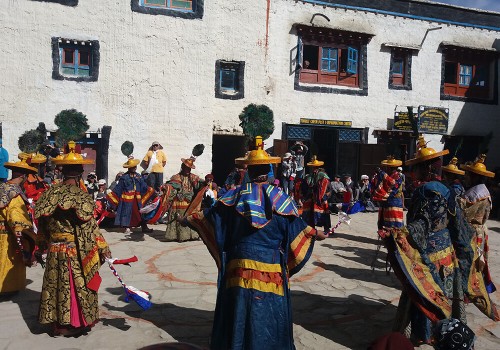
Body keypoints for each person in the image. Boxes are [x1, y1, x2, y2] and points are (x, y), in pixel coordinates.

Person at [179, 136, 328, 349]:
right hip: (271, 268)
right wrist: (315, 233)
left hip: (237, 268)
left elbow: (210, 218)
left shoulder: (232, 197)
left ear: (248, 172)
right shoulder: (281, 199)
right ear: (269, 172)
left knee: (239, 308)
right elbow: (297, 228)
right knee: (268, 311)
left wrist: (189, 220)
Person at [381, 136, 498, 345]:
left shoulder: (424, 191)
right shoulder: (446, 189)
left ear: (425, 169)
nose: (412, 172)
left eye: (416, 167)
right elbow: (459, 226)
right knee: (445, 294)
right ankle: (446, 331)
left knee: (423, 292)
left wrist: (398, 236)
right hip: (447, 254)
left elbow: (421, 225)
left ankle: (423, 334)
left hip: (430, 255)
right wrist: (463, 253)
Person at [34, 141, 111, 336]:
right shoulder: (82, 197)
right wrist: (103, 248)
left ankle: (58, 324)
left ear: (62, 171)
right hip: (74, 250)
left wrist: (41, 246)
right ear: (79, 173)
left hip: (54, 251)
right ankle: (75, 323)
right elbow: (90, 228)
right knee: (76, 286)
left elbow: (42, 226)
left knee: (56, 286)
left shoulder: (48, 194)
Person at [0, 155, 37, 296]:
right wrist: (26, 235)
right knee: (6, 261)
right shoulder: (15, 194)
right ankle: (5, 288)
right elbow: (17, 219)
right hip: (6, 235)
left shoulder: (1, 187)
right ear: (23, 176)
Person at [461, 154, 497, 293]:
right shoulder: (485, 192)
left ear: (475, 176)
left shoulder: (473, 195)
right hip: (481, 230)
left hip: (471, 232)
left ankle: (468, 288)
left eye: (468, 175)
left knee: (470, 260)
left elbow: (464, 215)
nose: (466, 177)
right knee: (478, 261)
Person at [107, 154, 155, 234]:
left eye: (135, 166)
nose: (134, 168)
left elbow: (144, 187)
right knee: (126, 212)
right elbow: (119, 188)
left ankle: (144, 227)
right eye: (132, 167)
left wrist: (150, 190)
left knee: (140, 213)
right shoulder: (124, 177)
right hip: (127, 199)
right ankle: (127, 227)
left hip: (137, 199)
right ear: (129, 168)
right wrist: (111, 194)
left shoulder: (139, 176)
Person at [164, 145, 203, 242]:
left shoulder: (193, 177)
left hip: (190, 202)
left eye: (189, 169)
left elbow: (200, 184)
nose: (187, 170)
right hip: (178, 202)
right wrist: (169, 189)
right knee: (179, 216)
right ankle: (179, 236)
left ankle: (192, 235)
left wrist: (206, 183)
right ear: (182, 167)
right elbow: (172, 186)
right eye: (186, 168)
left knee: (190, 217)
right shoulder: (176, 177)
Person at [300, 156, 331, 232]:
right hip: (312, 196)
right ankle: (310, 227)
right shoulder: (309, 176)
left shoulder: (323, 176)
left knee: (324, 212)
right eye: (312, 167)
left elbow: (327, 187)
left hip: (322, 196)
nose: (314, 169)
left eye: (315, 167)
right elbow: (308, 185)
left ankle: (326, 228)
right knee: (310, 212)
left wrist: (323, 196)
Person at [372, 156, 404, 230]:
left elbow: (392, 185)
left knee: (394, 222)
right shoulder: (386, 175)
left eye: (388, 167)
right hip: (385, 201)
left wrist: (382, 174)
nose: (386, 169)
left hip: (394, 202)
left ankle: (395, 238)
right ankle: (386, 237)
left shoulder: (397, 176)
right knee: (384, 221)